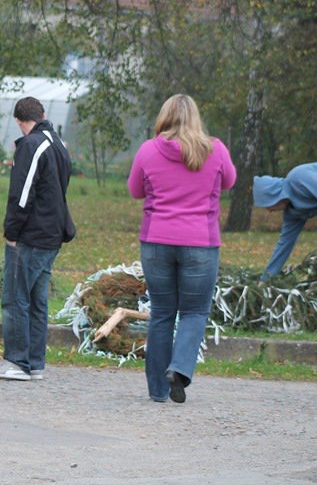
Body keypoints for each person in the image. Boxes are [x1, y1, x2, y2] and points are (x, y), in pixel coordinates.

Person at [127, 94, 236, 403]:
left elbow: (135, 190)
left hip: (156, 241)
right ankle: (180, 369)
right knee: (194, 311)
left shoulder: (148, 150)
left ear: (164, 117)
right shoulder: (214, 149)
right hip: (200, 243)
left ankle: (158, 390)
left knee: (162, 313)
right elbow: (230, 181)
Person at [0, 97, 74, 382]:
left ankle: (17, 361)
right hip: (52, 234)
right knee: (38, 301)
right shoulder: (58, 143)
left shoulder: (31, 145)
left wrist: (12, 232)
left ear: (19, 121)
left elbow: (22, 194)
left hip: (31, 236)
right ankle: (35, 361)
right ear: (42, 114)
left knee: (15, 298)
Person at [253, 162, 317, 294]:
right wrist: (266, 279)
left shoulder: (299, 178)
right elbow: (284, 244)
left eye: (268, 205)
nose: (270, 211)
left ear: (274, 195)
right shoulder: (293, 212)